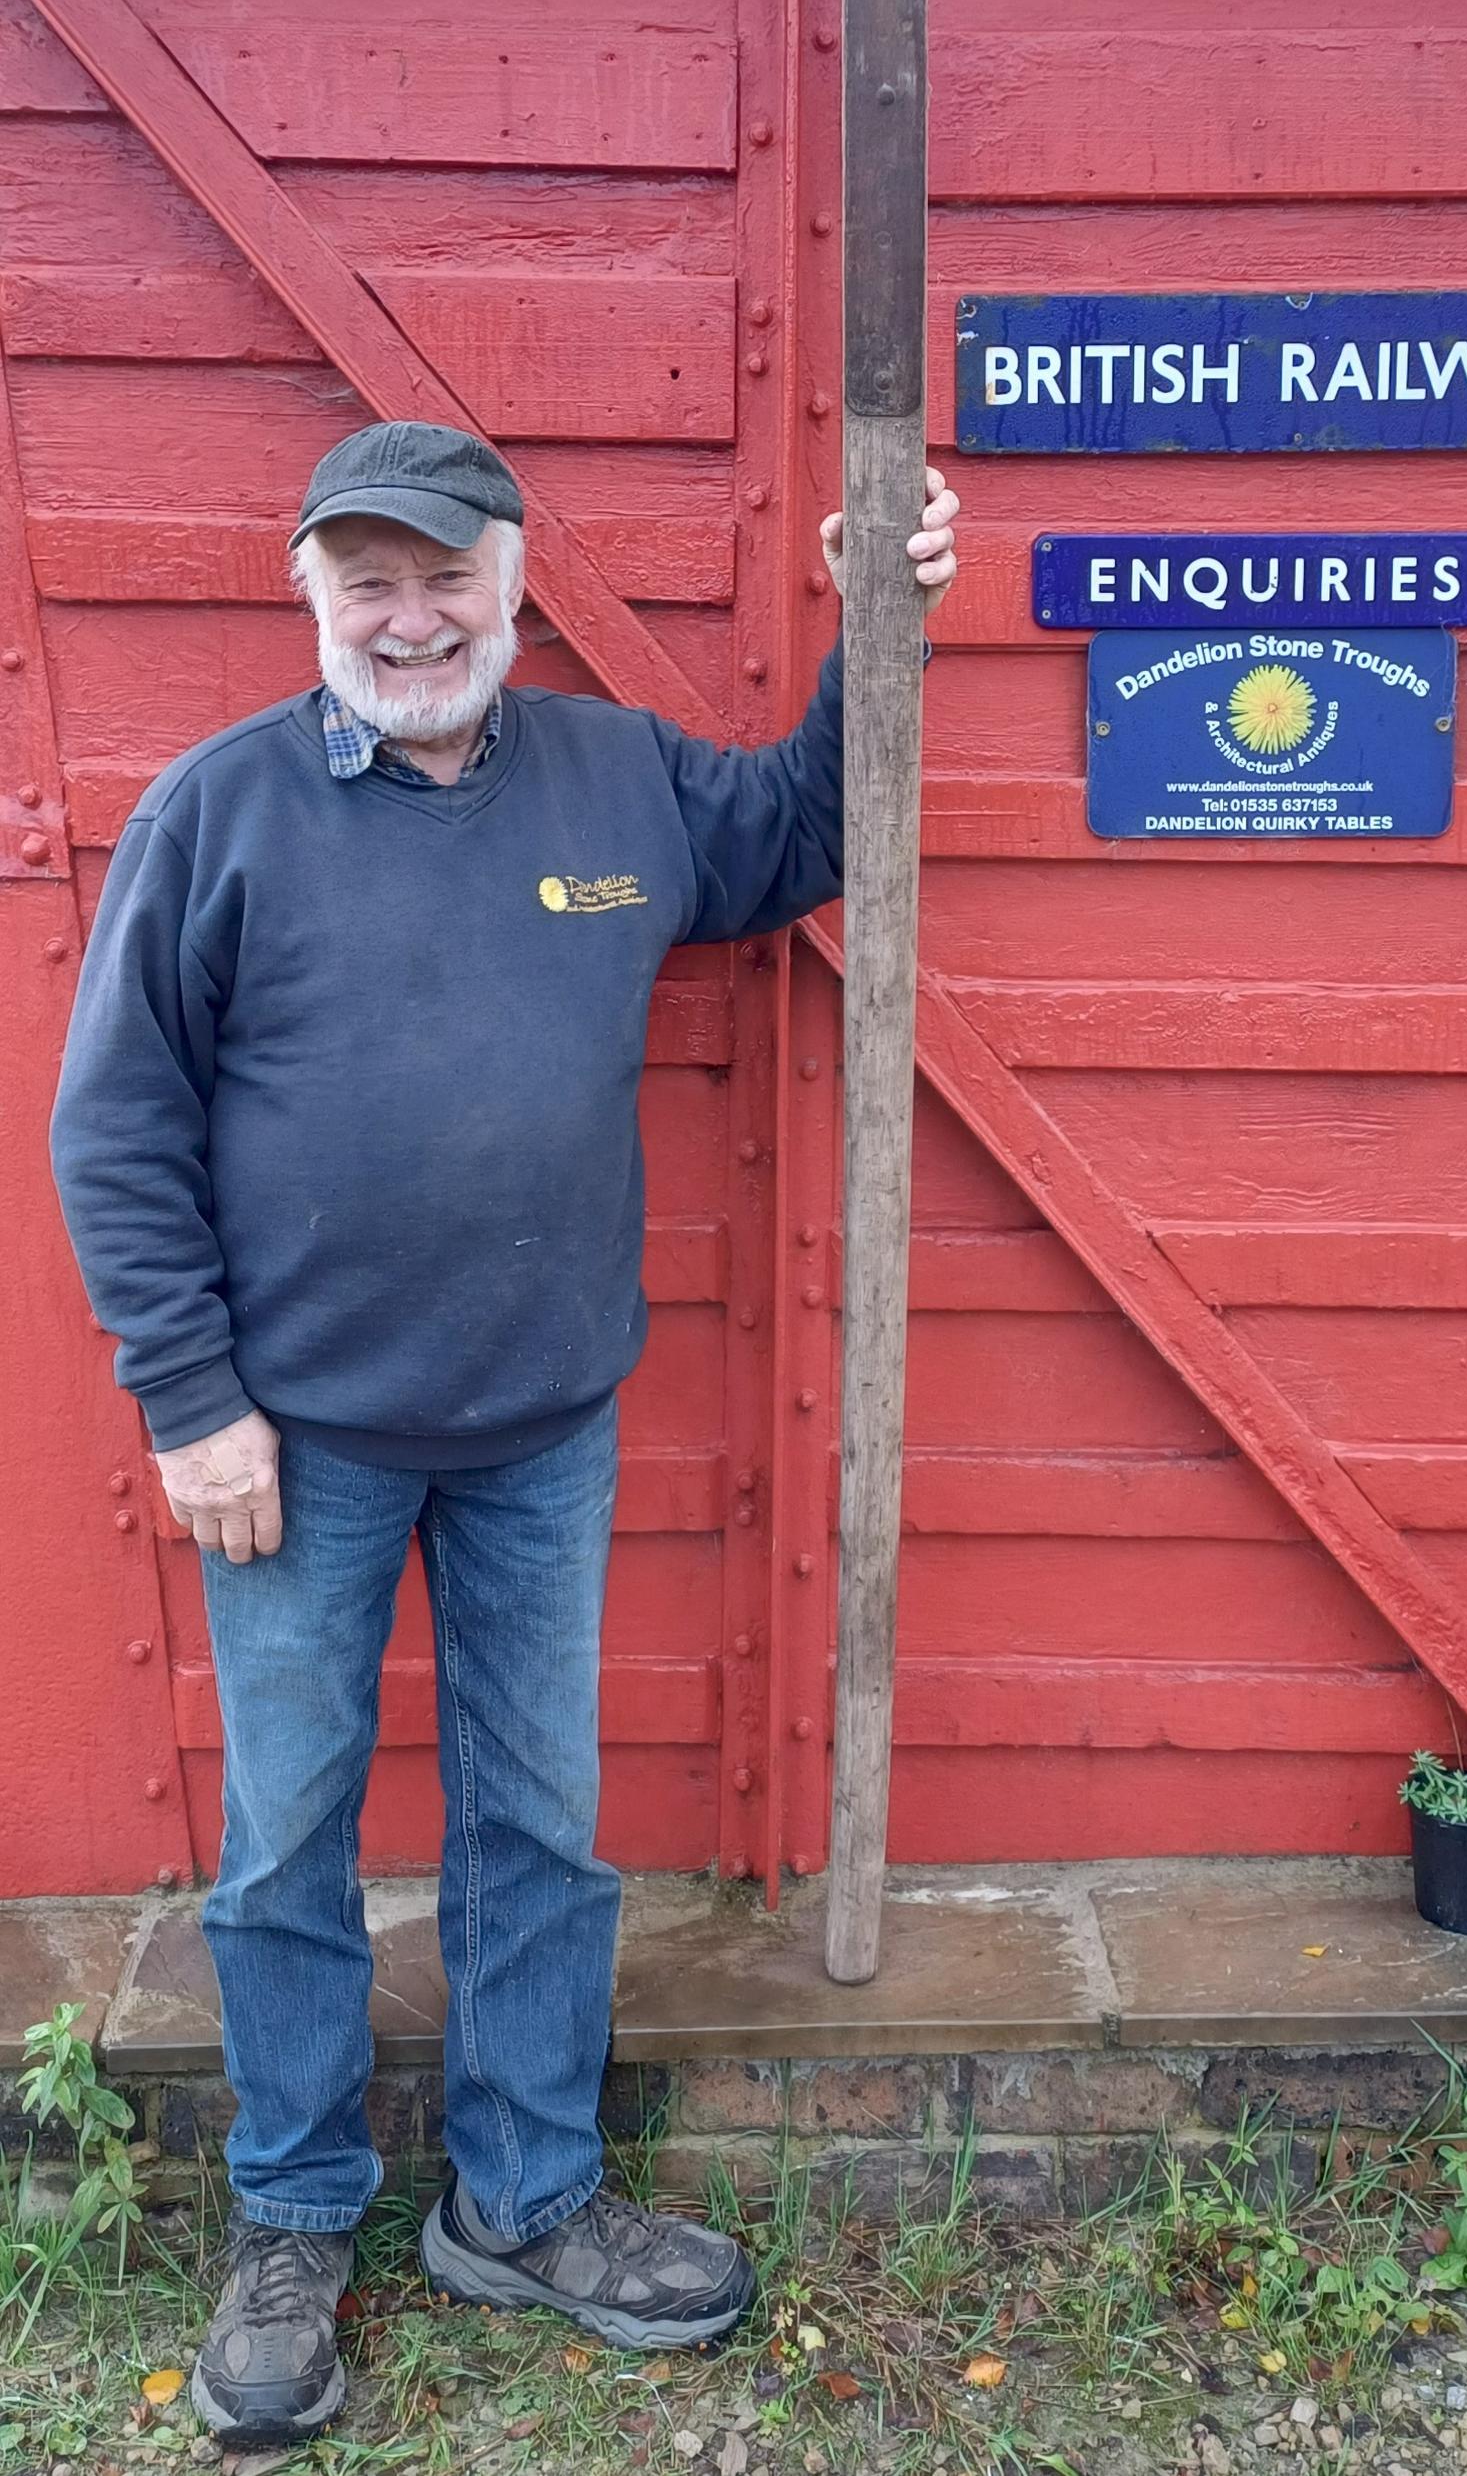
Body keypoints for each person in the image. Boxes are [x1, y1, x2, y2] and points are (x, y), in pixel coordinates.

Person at [50, 420, 959, 2450]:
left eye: (441, 574)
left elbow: (814, 823)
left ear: (512, 581)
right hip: (296, 1442)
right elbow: (112, 1129)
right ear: (310, 597)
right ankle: (293, 2221)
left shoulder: (614, 774)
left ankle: (524, 2199)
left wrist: (871, 610)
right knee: (289, 1841)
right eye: (363, 578)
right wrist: (193, 1404)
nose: (406, 615)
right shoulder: (221, 815)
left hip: (542, 1425)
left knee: (532, 1824)